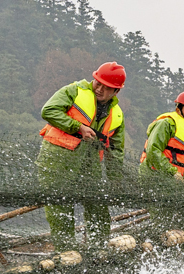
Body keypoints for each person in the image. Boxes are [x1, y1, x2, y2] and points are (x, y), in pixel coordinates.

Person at [37, 62, 127, 250]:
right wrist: (78, 127)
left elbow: (116, 151)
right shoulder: (73, 91)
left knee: (98, 208)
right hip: (57, 160)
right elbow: (48, 110)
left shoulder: (117, 114)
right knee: (60, 208)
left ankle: (99, 251)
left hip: (90, 165)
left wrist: (115, 179)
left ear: (116, 91)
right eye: (98, 82)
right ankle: (66, 252)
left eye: (106, 87)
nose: (99, 88)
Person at [139, 91, 184, 186]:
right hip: (153, 178)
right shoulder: (166, 124)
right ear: (178, 110)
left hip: (175, 183)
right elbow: (153, 150)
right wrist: (172, 172)